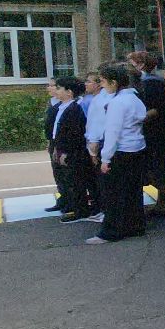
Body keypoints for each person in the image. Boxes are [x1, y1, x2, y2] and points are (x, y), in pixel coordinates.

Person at [89, 63, 149, 245]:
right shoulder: (135, 99)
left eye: (104, 82)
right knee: (133, 191)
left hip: (120, 152)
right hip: (137, 149)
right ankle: (135, 225)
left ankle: (111, 230)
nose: (102, 85)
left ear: (114, 83)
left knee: (113, 194)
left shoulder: (116, 103)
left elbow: (112, 133)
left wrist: (105, 158)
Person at [129, 50, 165, 215]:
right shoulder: (153, 81)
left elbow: (154, 110)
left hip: (154, 133)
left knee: (157, 168)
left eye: (132, 63)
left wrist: (135, 120)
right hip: (157, 132)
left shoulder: (150, 84)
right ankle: (163, 203)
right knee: (159, 167)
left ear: (141, 65)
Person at [49, 77, 94, 222]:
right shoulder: (62, 107)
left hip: (72, 151)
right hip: (61, 147)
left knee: (75, 181)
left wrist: (65, 151)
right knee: (68, 179)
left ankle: (81, 209)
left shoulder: (73, 109)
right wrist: (56, 147)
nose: (57, 91)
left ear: (69, 92)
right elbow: (57, 130)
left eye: (60, 88)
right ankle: (74, 206)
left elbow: (73, 134)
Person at [80, 72, 108, 218]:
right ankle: (103, 209)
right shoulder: (96, 99)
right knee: (99, 180)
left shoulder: (99, 100)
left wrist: (93, 149)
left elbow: (97, 125)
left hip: (99, 143)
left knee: (102, 180)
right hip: (96, 141)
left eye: (89, 81)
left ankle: (105, 211)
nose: (86, 84)